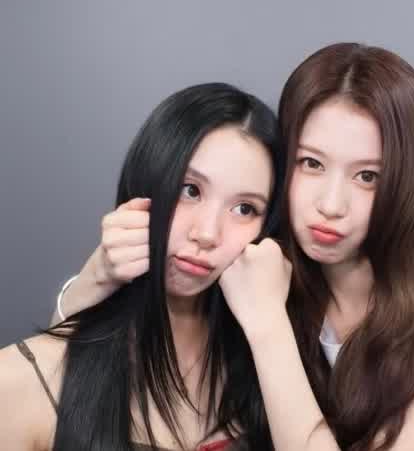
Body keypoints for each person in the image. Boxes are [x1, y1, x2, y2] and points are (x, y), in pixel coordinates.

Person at [51, 43, 414, 451]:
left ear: (410, 184)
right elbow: (73, 373)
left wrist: (268, 326)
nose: (331, 205)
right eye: (311, 163)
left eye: (368, 176)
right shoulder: (262, 276)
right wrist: (98, 276)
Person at [0, 83, 285, 450]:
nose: (207, 234)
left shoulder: (277, 369)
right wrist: (91, 283)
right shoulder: (22, 379)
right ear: (147, 180)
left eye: (245, 209)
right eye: (190, 190)